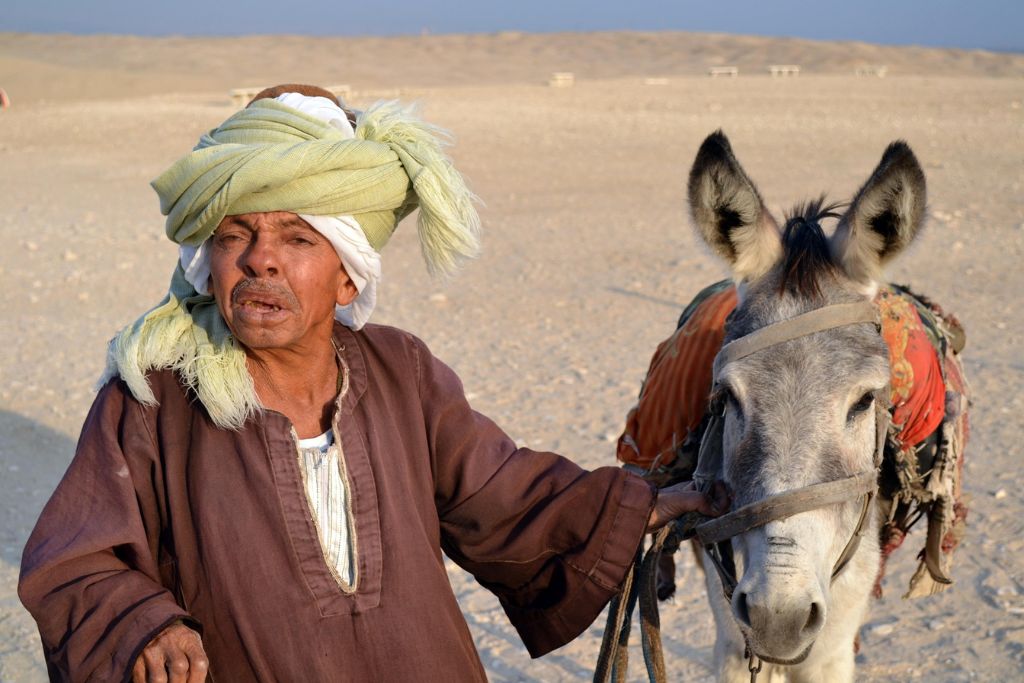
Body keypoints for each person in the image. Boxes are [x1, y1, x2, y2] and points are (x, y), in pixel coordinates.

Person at [19, 84, 725, 683]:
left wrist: (635, 507)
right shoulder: (153, 399)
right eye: (237, 234)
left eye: (298, 237)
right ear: (209, 259)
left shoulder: (400, 372)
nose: (261, 259)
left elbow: (502, 496)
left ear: (348, 273)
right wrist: (143, 626)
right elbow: (77, 562)